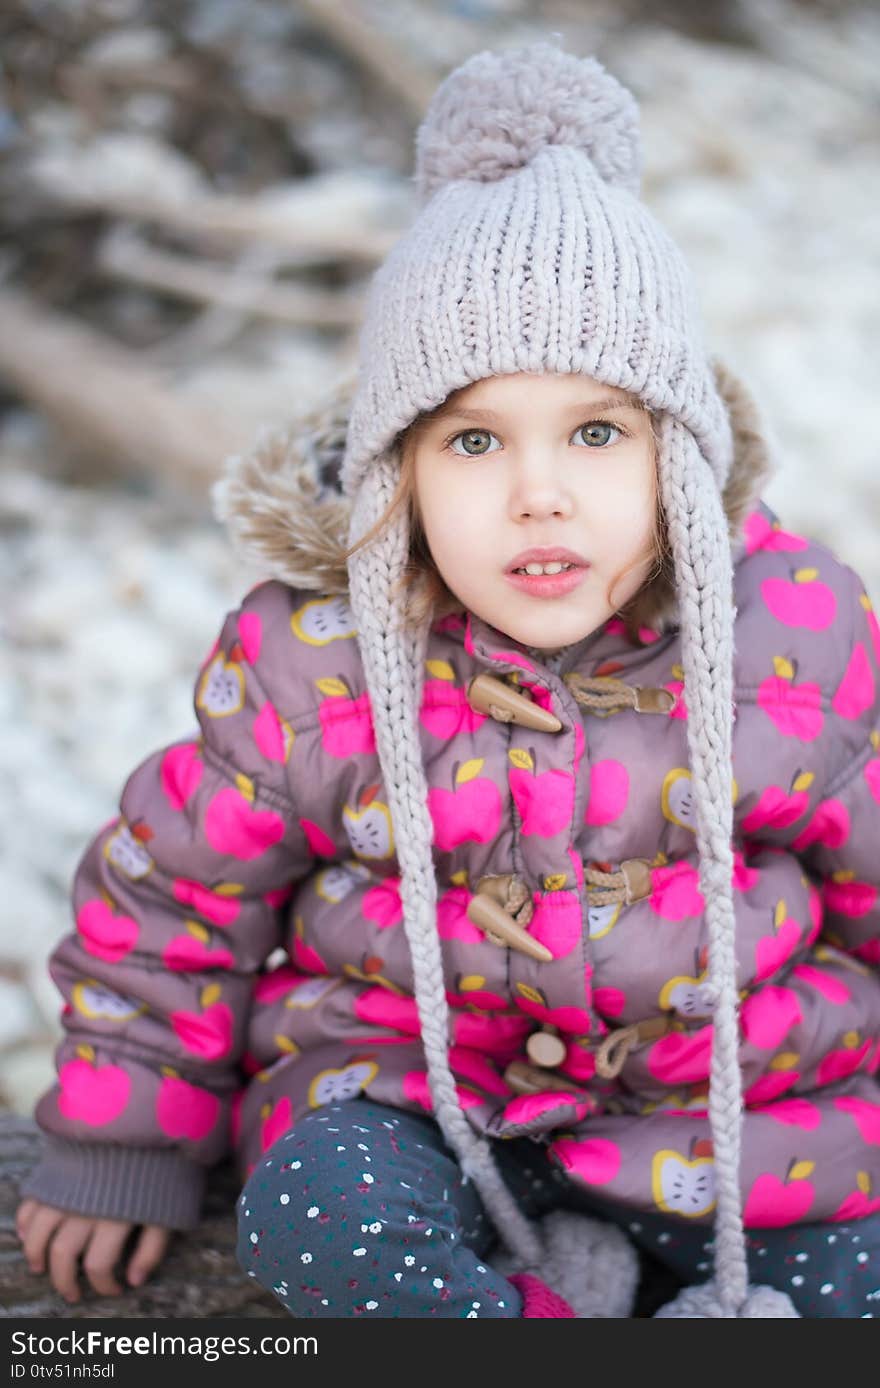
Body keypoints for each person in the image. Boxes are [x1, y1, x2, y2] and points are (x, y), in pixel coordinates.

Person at [15, 40, 880, 1319]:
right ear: (396, 476)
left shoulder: (789, 638)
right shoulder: (317, 656)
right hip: (415, 1096)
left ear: (678, 457)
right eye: (474, 439)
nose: (540, 489)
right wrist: (121, 1136)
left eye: (596, 432)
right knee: (314, 1219)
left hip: (742, 1116)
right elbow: (174, 898)